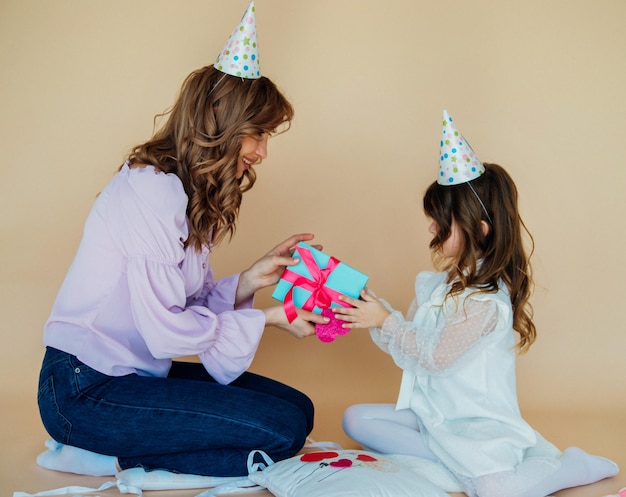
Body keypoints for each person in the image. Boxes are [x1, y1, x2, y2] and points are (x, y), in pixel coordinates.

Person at [36, 2, 326, 478]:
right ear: (220, 122)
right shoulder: (150, 190)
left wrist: (251, 277)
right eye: (257, 134)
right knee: (280, 429)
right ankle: (105, 456)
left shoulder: (189, 194)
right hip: (83, 388)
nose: (262, 152)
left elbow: (185, 302)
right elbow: (165, 329)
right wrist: (273, 318)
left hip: (136, 377)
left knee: (298, 409)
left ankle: (121, 451)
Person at [332, 111, 619, 497]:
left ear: (478, 229)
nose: (431, 228)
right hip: (435, 417)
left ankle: (571, 465)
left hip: (475, 424)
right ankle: (452, 467)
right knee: (356, 419)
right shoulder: (438, 284)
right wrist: (371, 312)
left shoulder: (485, 303)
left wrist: (385, 321)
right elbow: (412, 344)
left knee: (494, 490)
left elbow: (433, 357)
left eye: (440, 221)